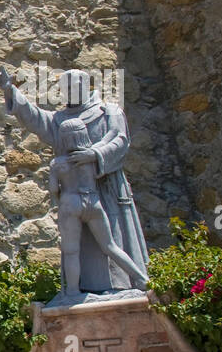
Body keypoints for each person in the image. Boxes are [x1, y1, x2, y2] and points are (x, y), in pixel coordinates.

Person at [0, 67, 149, 294]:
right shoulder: (60, 120)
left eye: (73, 86)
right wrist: (11, 91)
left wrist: (94, 155)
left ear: (85, 85)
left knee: (112, 243)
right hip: (79, 195)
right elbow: (36, 118)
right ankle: (83, 290)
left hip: (107, 189)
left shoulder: (110, 112)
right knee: (82, 247)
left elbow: (120, 140)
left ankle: (130, 284)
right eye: (64, 87)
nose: (68, 91)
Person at [49, 117, 148, 295]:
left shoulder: (57, 163)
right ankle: (141, 278)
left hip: (70, 202)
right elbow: (105, 146)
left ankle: (72, 291)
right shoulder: (89, 158)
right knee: (110, 246)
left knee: (71, 251)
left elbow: (53, 189)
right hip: (93, 202)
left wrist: (61, 198)